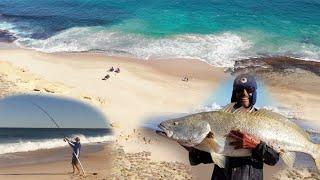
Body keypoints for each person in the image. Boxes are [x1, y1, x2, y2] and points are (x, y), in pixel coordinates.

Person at [186, 74, 279, 180]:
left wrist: (256, 145)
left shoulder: (264, 121)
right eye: (239, 90)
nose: (244, 94)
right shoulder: (219, 118)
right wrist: (193, 149)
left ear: (254, 92)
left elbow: (273, 159)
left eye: (249, 89)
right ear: (235, 93)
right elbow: (207, 157)